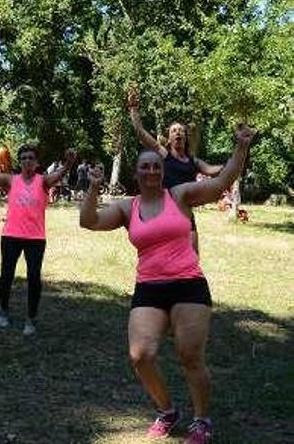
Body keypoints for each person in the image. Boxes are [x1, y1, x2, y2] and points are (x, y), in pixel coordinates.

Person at [79, 124, 255, 444]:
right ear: (136, 172)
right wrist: (92, 189)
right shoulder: (126, 208)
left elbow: (221, 183)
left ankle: (201, 420)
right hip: (150, 287)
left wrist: (241, 148)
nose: (150, 171)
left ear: (163, 171)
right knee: (140, 355)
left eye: (155, 166)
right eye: (144, 166)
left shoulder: (180, 195)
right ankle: (167, 410)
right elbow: (88, 221)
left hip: (188, 283)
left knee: (190, 356)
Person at [0, 146, 75, 336]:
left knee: (34, 279)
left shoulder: (43, 181)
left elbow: (59, 174)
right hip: (11, 236)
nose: (27, 161)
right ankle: (3, 311)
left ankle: (31, 318)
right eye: (23, 158)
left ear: (36, 162)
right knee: (6, 276)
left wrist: (69, 162)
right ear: (19, 162)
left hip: (35, 238)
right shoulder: (10, 180)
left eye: (30, 158)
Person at [128, 87, 223, 253]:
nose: (178, 132)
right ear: (169, 137)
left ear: (185, 137)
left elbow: (214, 170)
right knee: (163, 254)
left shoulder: (194, 161)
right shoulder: (164, 155)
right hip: (164, 212)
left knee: (193, 257)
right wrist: (133, 108)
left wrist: (237, 159)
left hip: (186, 213)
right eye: (174, 130)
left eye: (181, 130)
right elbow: (140, 133)